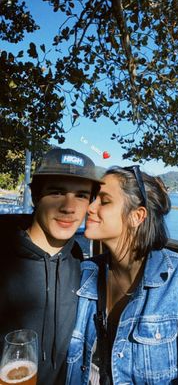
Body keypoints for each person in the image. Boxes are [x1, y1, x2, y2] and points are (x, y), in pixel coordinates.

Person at [66, 165, 178, 385]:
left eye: (104, 201)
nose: (90, 207)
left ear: (137, 216)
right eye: (93, 198)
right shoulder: (84, 274)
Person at [0, 147, 104, 385]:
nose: (69, 207)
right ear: (36, 196)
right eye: (57, 192)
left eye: (81, 195)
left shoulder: (82, 264)